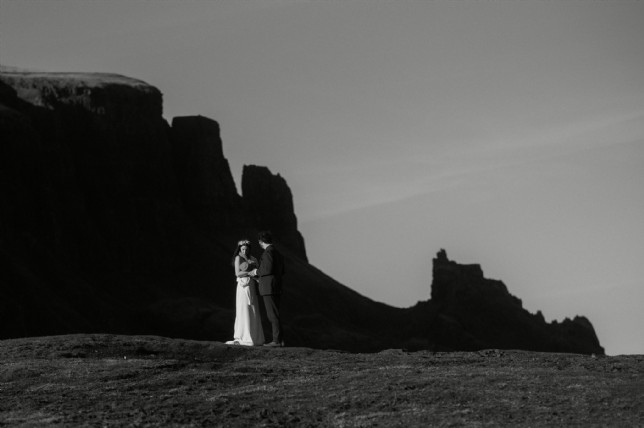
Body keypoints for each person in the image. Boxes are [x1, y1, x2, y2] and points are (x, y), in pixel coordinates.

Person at [225, 240, 265, 346]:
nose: (244, 250)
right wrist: (250, 272)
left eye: (246, 249)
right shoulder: (238, 258)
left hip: (251, 285)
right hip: (243, 285)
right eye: (243, 249)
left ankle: (255, 336)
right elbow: (237, 273)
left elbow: (258, 272)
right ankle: (243, 335)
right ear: (239, 249)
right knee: (243, 308)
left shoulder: (254, 259)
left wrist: (256, 276)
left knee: (253, 308)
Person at [250, 231, 286, 347]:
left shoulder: (268, 252)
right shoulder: (278, 253)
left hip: (268, 288)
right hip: (276, 286)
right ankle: (280, 340)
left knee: (272, 315)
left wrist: (256, 271)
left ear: (261, 242)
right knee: (275, 313)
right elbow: (282, 271)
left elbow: (267, 269)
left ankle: (276, 341)